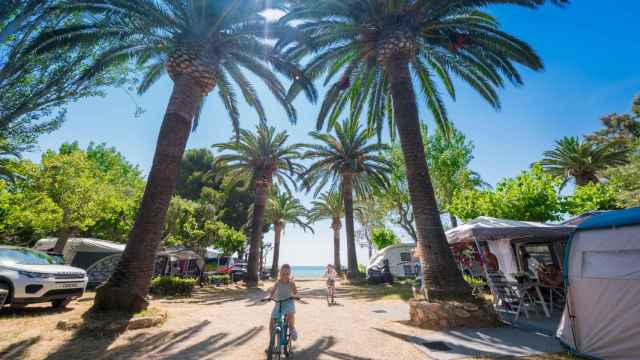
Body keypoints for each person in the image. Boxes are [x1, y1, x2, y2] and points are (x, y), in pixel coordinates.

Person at [267, 264, 299, 341]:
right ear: (280, 273)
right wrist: (270, 297)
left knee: (290, 315)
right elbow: (272, 292)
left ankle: (292, 328)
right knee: (272, 322)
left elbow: (296, 293)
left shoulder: (291, 283)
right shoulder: (277, 283)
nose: (285, 276)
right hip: (279, 303)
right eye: (283, 274)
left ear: (290, 274)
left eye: (287, 274)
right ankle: (271, 342)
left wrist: (296, 296)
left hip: (289, 302)